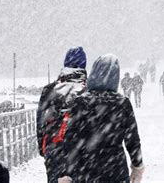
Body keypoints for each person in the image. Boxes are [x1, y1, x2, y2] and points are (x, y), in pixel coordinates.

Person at [61, 54, 144, 182]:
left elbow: (71, 139)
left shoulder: (81, 102)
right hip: (115, 169)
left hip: (85, 169)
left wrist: (67, 172)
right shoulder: (122, 103)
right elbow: (132, 139)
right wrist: (137, 165)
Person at [36, 47, 87, 183]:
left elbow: (40, 122)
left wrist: (44, 149)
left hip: (53, 150)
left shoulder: (49, 90)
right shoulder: (87, 91)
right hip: (82, 152)